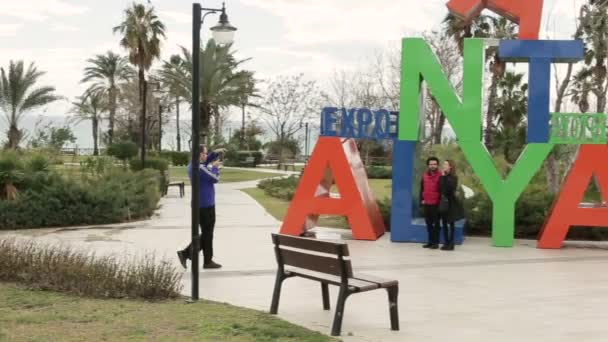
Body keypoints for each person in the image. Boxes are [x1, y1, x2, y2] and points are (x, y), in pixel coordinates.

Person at [177, 145, 222, 269]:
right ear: (200, 154)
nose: (206, 155)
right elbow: (215, 178)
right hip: (206, 205)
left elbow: (205, 162)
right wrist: (215, 168)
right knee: (208, 234)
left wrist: (214, 153)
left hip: (199, 204)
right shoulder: (201, 168)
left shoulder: (192, 165)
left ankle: (190, 254)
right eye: (205, 153)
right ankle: (201, 259)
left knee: (206, 233)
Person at [439, 160, 464, 251]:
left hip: (451, 202)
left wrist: (444, 177)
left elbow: (450, 189)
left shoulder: (454, 177)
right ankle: (446, 242)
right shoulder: (442, 176)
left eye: (446, 164)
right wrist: (443, 177)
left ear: (450, 167)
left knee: (451, 223)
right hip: (444, 202)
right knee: (444, 223)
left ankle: (451, 243)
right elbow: (441, 188)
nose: (444, 166)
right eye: (444, 164)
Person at [420, 157, 441, 249]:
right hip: (426, 203)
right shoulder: (424, 175)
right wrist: (421, 200)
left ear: (437, 165)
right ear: (428, 165)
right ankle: (430, 241)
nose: (433, 166)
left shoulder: (441, 175)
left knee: (436, 224)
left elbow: (442, 190)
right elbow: (422, 188)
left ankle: (435, 243)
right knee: (428, 223)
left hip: (436, 204)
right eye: (431, 164)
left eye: (434, 164)